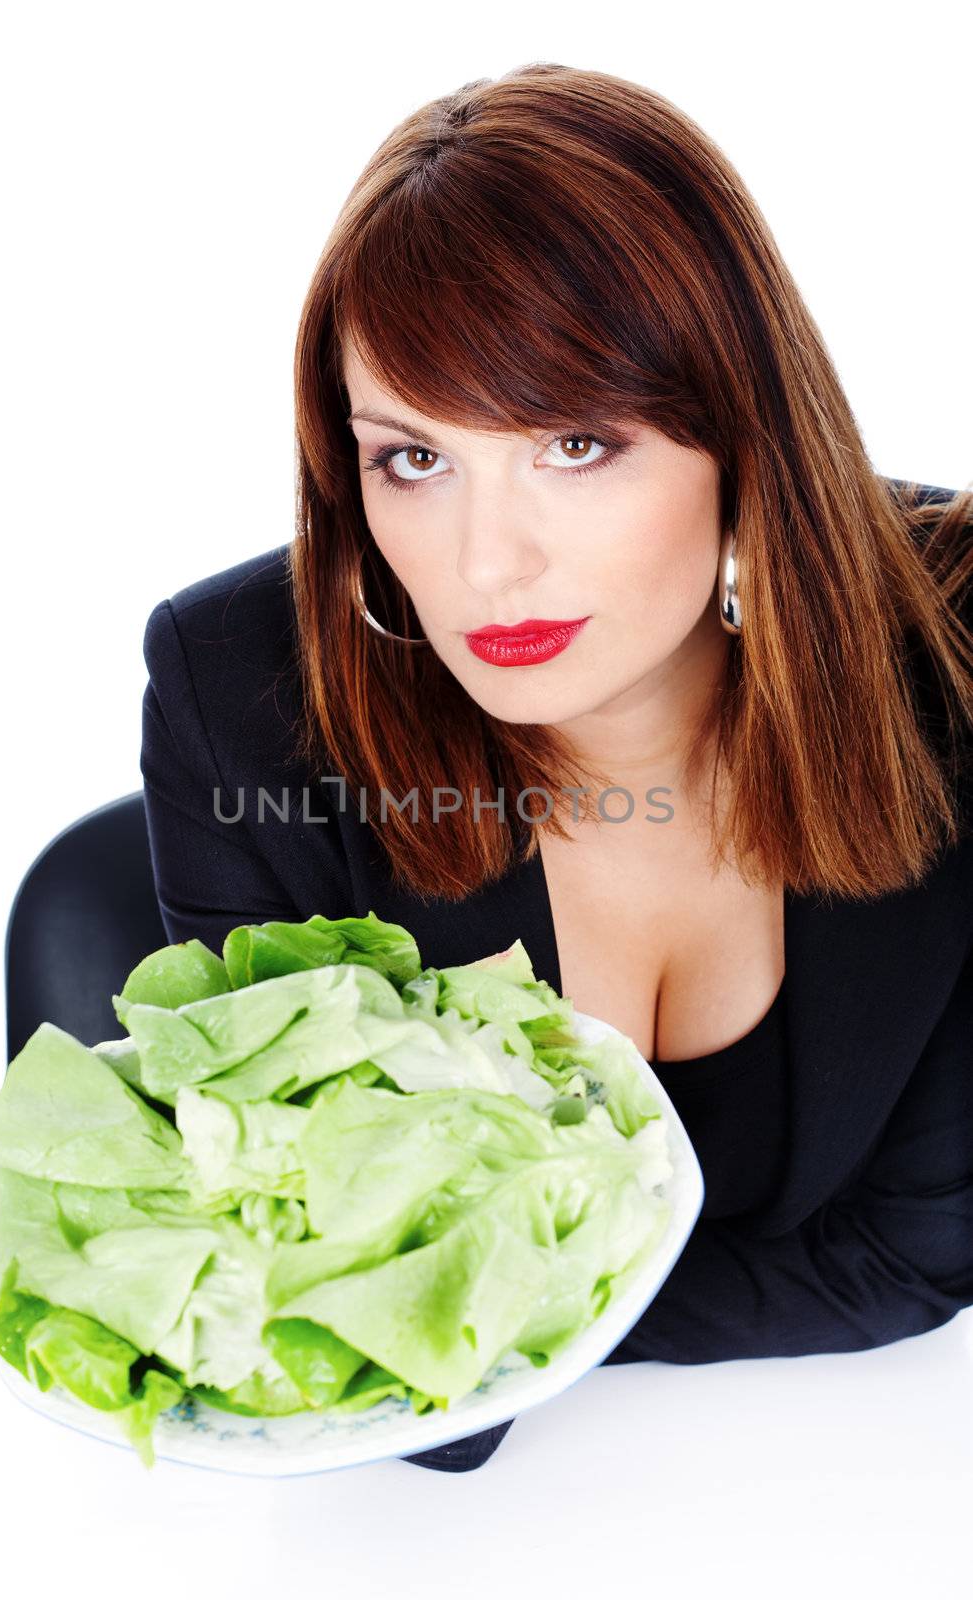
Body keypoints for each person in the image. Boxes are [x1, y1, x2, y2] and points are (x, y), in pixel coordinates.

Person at [139, 64, 973, 1473]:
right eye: (413, 460)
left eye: (574, 444)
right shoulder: (242, 698)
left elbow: (921, 1253)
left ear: (744, 431)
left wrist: (518, 1324)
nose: (486, 563)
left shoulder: (952, 654)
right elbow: (374, 1365)